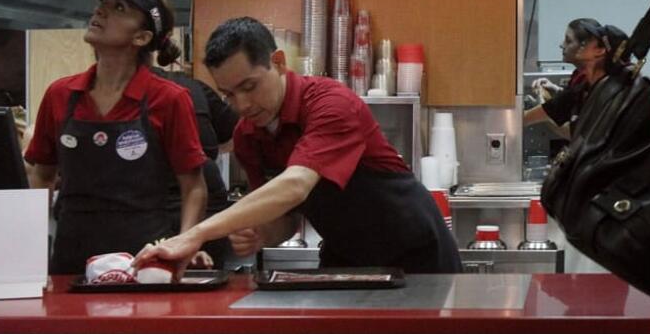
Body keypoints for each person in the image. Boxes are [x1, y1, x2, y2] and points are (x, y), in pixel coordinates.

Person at [133, 17, 460, 274]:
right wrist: (262, 234)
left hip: (416, 256)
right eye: (229, 94)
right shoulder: (249, 136)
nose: (242, 104)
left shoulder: (331, 103)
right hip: (347, 259)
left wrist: (194, 234)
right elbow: (287, 217)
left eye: (249, 86)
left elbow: (295, 186)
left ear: (277, 62)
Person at [25, 0, 208, 274]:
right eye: (103, 3)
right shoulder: (61, 94)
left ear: (141, 38)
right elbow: (42, 177)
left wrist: (182, 246)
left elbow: (194, 188)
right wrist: (29, 246)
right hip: (71, 262)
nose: (101, 11)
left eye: (119, 8)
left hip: (144, 262)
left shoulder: (169, 99)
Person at [150, 55, 238, 268]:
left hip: (186, 210)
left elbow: (239, 131)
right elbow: (234, 132)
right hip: (204, 210)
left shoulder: (178, 91)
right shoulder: (192, 86)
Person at [524, 19, 630, 136]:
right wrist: (555, 91)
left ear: (600, 51)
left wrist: (541, 106)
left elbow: (577, 134)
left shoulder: (611, 96)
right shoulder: (582, 86)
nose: (561, 45)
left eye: (569, 41)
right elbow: (561, 103)